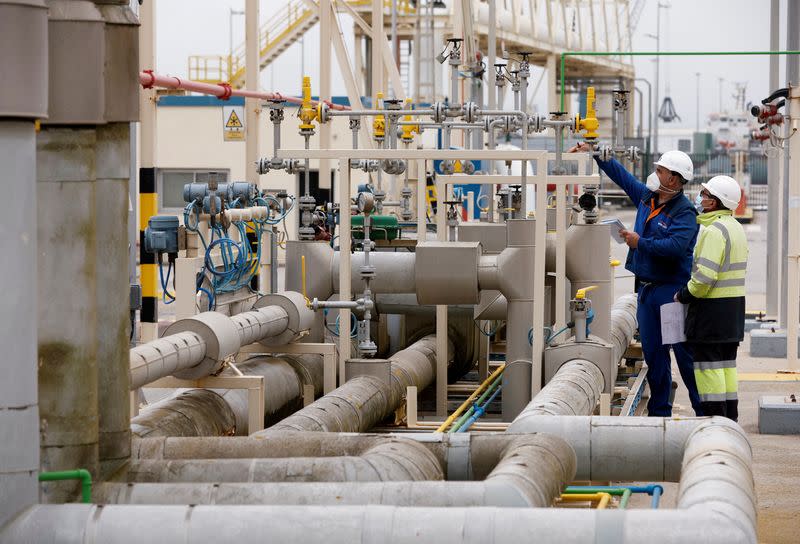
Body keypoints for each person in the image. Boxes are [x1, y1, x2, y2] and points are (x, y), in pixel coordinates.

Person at [569, 143, 703, 417]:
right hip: (646, 292)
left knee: (683, 355)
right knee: (655, 356)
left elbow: (675, 247)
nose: (655, 174)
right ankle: (659, 413)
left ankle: (705, 412)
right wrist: (597, 153)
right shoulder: (646, 197)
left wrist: (639, 242)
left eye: (660, 170)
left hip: (672, 294)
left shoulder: (685, 212)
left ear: (673, 179)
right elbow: (622, 177)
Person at [675, 175, 748, 421]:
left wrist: (684, 295)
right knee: (726, 368)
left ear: (715, 202)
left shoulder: (714, 231)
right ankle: (729, 420)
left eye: (705, 195)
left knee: (708, 369)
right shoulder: (735, 228)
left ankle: (714, 420)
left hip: (711, 312)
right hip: (732, 311)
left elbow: (704, 278)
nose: (700, 198)